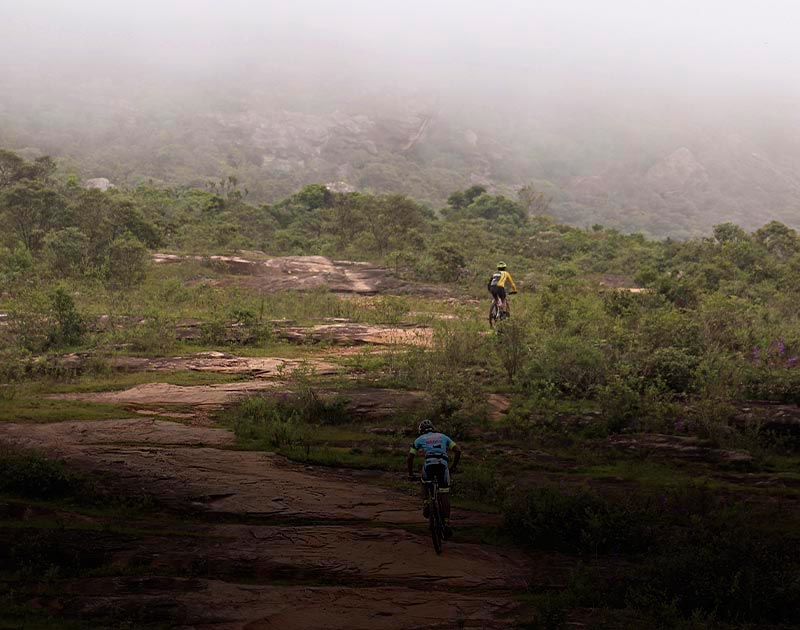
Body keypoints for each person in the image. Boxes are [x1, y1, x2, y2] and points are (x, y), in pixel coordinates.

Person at [407, 419, 461, 538]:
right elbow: (458, 450)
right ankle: (446, 524)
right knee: (444, 493)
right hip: (443, 464)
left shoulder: (419, 439)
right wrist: (453, 467)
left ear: (421, 431)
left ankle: (426, 503)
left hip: (429, 464)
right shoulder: (443, 436)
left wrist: (410, 474)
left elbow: (410, 457)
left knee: (424, 481)